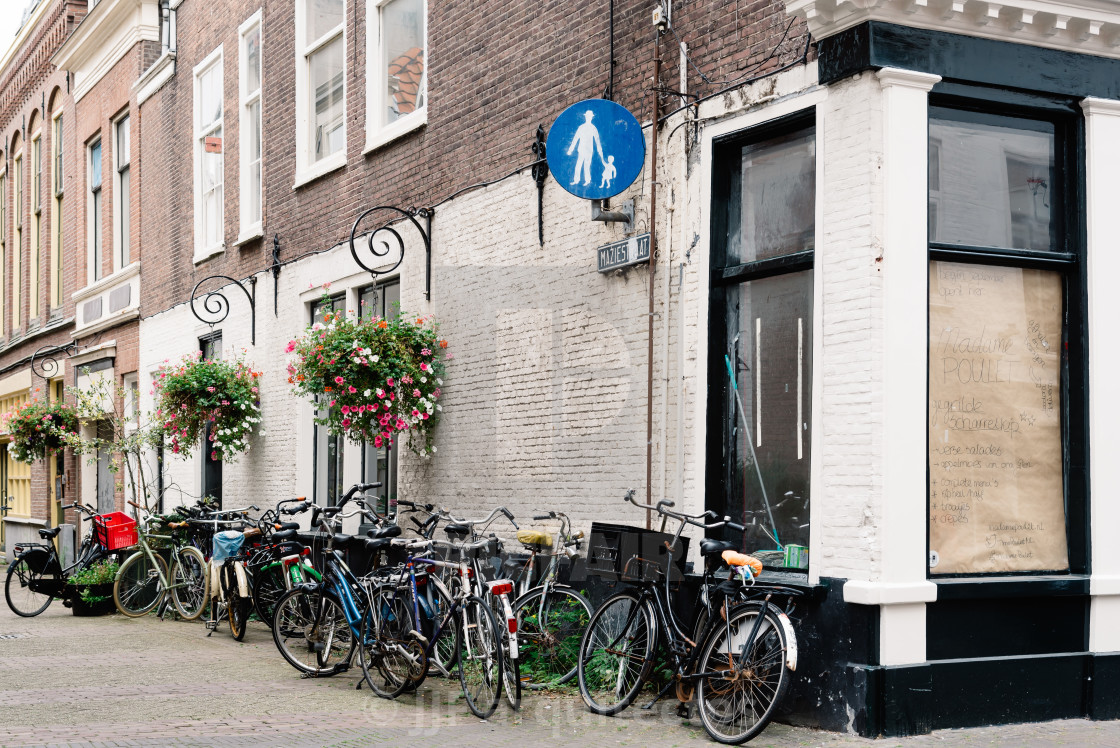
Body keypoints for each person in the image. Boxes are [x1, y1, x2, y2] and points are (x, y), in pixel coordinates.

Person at [567, 110, 605, 187]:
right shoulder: (581, 127)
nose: (588, 118)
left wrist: (599, 150)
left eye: (590, 117)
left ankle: (587, 180)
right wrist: (570, 150)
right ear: (585, 117)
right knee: (578, 164)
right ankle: (576, 180)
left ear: (591, 118)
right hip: (581, 149)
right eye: (587, 116)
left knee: (587, 165)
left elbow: (597, 140)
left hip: (589, 150)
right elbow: (575, 138)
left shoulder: (593, 128)